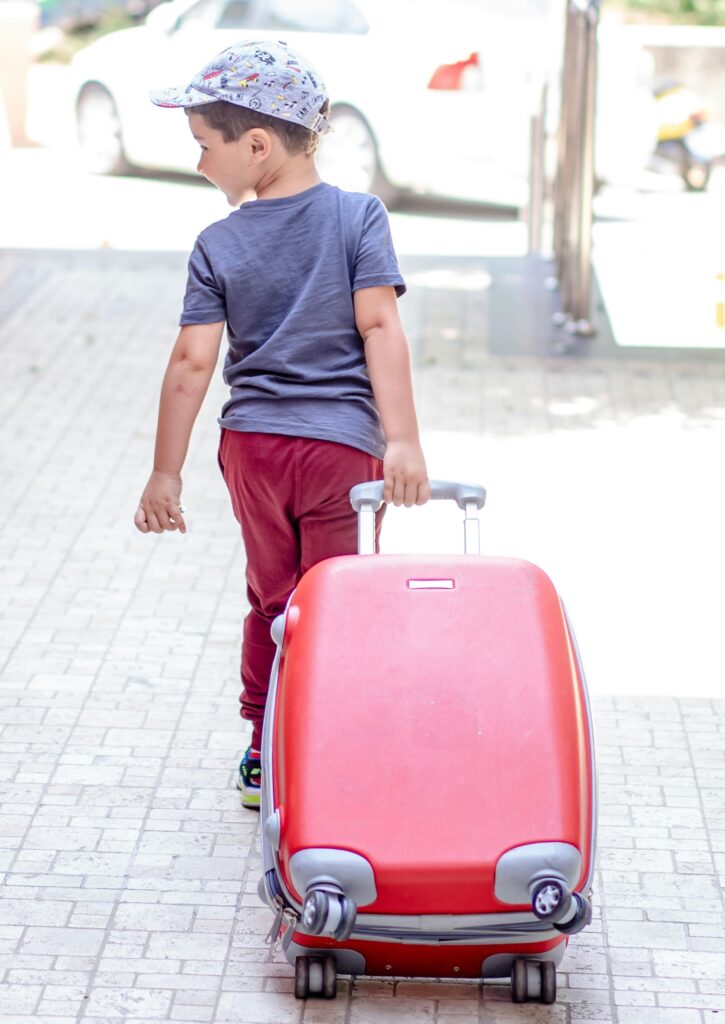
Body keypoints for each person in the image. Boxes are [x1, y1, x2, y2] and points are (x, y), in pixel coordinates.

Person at [134, 39, 430, 808]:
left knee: (274, 599)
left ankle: (264, 749)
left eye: (204, 146)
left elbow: (192, 365)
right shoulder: (359, 218)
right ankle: (336, 743)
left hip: (255, 450)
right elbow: (379, 329)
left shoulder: (218, 243)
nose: (199, 164)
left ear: (256, 144)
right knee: (340, 599)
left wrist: (165, 472)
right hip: (340, 452)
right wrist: (401, 438)